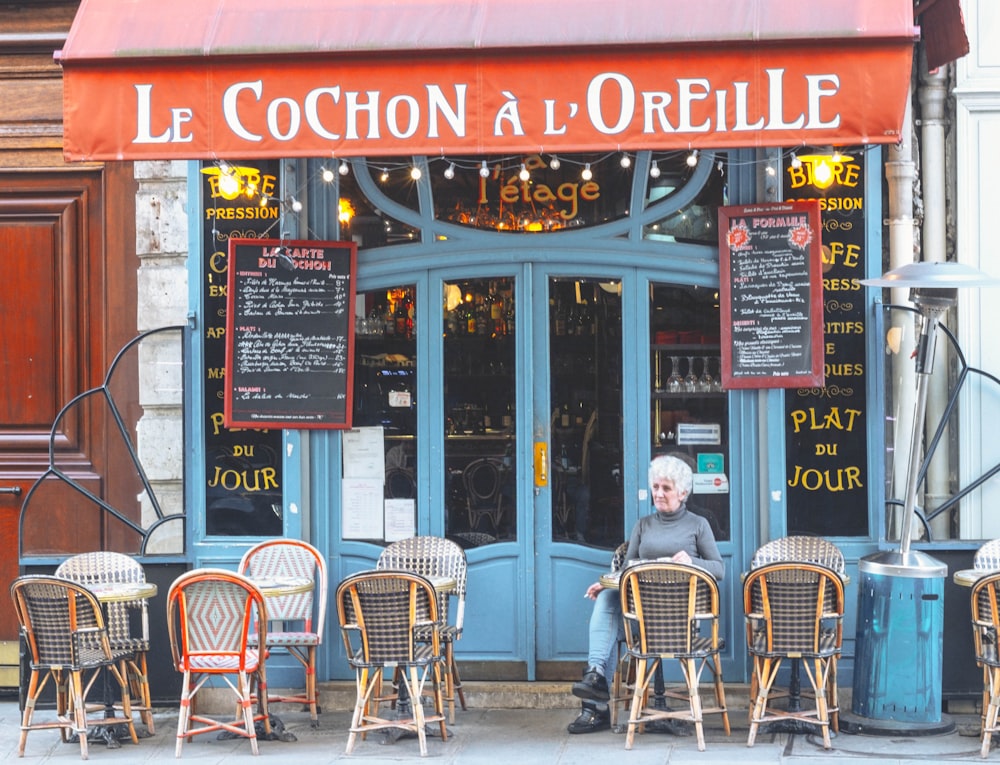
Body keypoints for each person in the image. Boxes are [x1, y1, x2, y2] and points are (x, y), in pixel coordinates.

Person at [566, 454, 724, 734]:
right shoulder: (643, 525)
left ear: (683, 492)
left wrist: (692, 562)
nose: (659, 494)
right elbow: (628, 571)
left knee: (611, 622)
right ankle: (596, 676)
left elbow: (719, 569)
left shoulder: (699, 525)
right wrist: (607, 582)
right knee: (606, 599)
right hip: (642, 617)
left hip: (680, 621)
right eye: (655, 487)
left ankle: (595, 705)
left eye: (666, 488)